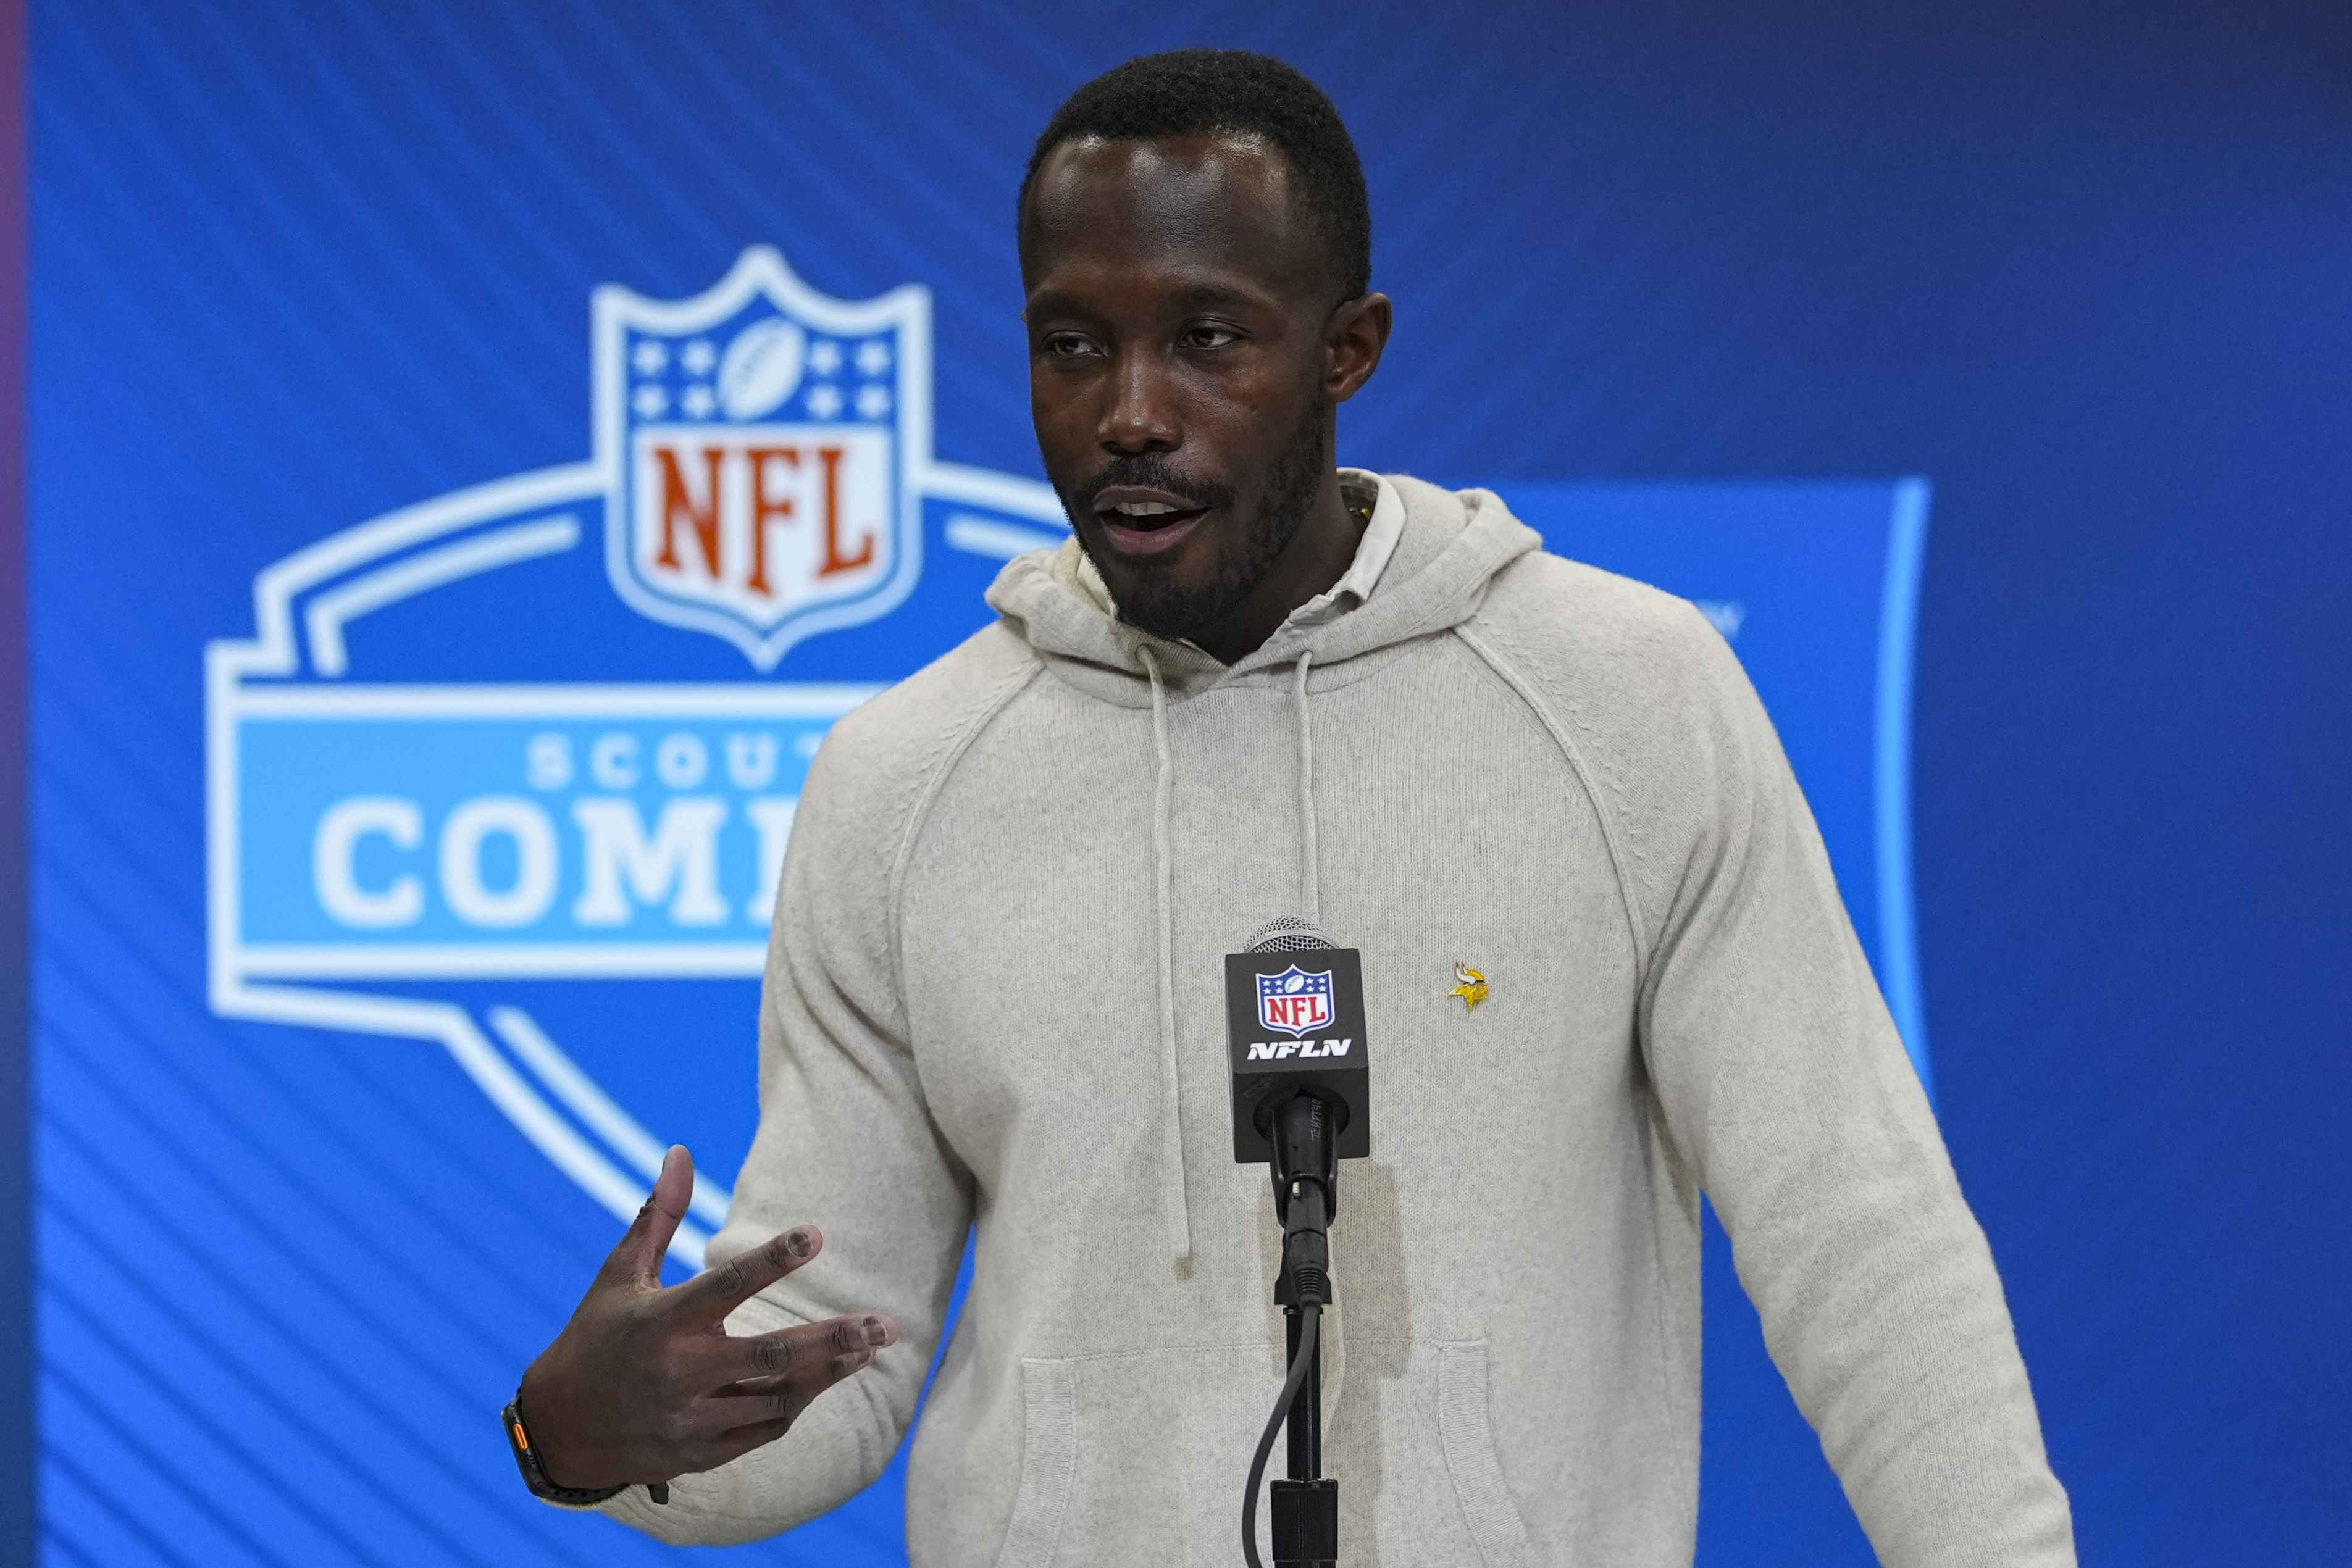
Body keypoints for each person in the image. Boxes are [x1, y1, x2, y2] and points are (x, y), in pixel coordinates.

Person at [510, 49, 2077, 1566]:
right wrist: (590, 1446)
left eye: (1207, 338)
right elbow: (826, 1351)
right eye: (1072, 344)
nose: (1129, 411)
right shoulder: (902, 779)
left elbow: (1857, 1236)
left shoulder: (1630, 701)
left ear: (1350, 348)